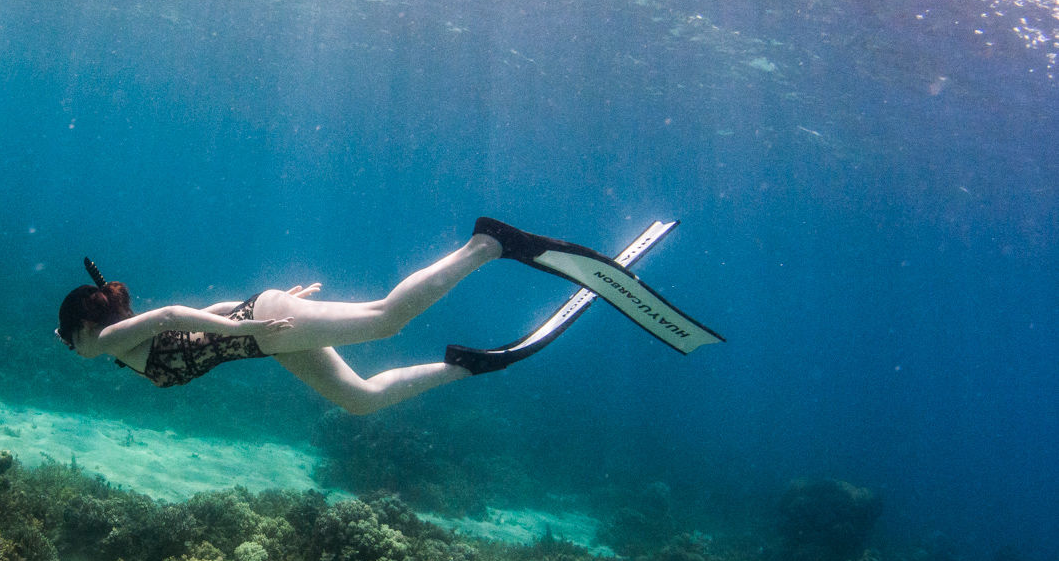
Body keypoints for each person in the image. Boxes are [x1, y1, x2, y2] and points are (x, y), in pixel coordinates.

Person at [56, 217, 721, 414]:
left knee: (384, 320)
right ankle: (466, 367)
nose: (69, 349)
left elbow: (177, 311)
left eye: (68, 338)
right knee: (360, 400)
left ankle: (489, 245)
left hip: (264, 329)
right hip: (264, 335)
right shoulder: (117, 345)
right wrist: (255, 322)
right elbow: (187, 322)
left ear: (87, 327)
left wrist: (254, 322)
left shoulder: (112, 338)